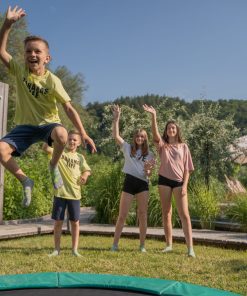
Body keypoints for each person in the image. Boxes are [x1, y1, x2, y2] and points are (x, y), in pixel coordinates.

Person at [0, 6, 96, 207]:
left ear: (47, 58)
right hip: (25, 126)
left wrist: (83, 133)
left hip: (48, 125)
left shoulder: (53, 81)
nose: (32, 54)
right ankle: (26, 180)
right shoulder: (20, 71)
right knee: (0, 150)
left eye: (37, 51)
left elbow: (69, 108)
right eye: (28, 51)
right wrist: (7, 25)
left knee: (62, 135)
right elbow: (1, 51)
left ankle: (53, 165)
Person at [143, 104, 195, 258]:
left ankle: (190, 248)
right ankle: (168, 245)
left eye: (173, 128)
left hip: (179, 183)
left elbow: (187, 169)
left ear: (177, 130)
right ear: (166, 131)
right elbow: (154, 133)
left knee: (184, 215)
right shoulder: (162, 146)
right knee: (166, 213)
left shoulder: (184, 147)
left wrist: (185, 185)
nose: (171, 130)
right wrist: (154, 115)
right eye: (168, 128)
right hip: (164, 181)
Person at [111, 105, 155, 253]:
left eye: (142, 136)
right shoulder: (128, 148)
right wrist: (116, 118)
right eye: (137, 136)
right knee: (122, 215)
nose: (139, 138)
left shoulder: (150, 155)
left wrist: (148, 170)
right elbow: (116, 137)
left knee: (142, 215)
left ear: (145, 138)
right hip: (129, 182)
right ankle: (115, 244)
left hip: (142, 184)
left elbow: (149, 175)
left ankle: (142, 245)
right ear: (134, 138)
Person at [43, 130, 91, 257]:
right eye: (69, 139)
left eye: (75, 140)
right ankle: (56, 249)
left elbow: (87, 170)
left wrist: (85, 176)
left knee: (75, 222)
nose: (71, 141)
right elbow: (45, 148)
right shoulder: (59, 152)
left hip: (75, 194)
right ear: (66, 140)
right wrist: (50, 134)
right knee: (58, 222)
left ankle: (74, 250)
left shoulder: (80, 157)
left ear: (79, 143)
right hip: (60, 193)